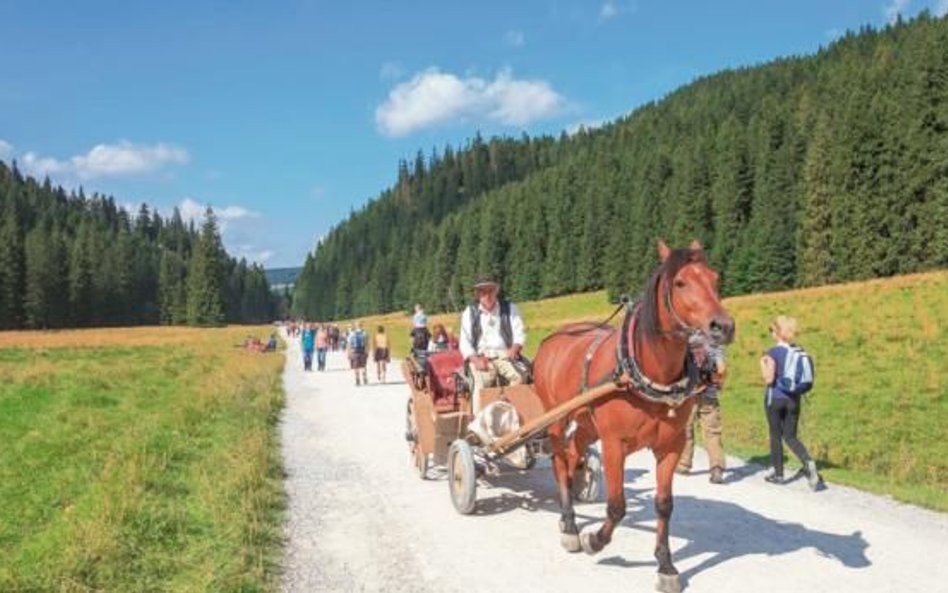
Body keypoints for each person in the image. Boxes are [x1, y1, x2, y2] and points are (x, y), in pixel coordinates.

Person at [760, 315, 824, 491]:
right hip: (794, 399)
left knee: (775, 435)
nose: (771, 333)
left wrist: (762, 363)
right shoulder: (798, 351)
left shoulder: (772, 352)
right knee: (791, 436)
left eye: (772, 330)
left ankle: (778, 474)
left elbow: (768, 378)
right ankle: (808, 462)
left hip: (776, 398)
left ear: (778, 333)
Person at [459, 275, 527, 416]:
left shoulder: (510, 309)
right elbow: (464, 342)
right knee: (481, 385)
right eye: (483, 292)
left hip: (505, 355)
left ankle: (510, 414)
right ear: (477, 294)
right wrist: (475, 360)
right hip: (481, 357)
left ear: (497, 291)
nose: (487, 295)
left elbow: (519, 333)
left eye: (491, 291)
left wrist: (515, 348)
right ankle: (478, 423)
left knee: (520, 377)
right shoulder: (469, 312)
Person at [677, 335, 728, 484]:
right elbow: (721, 368)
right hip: (709, 394)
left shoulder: (688, 341)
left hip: (689, 395)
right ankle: (716, 467)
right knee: (712, 432)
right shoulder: (715, 343)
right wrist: (719, 383)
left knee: (686, 429)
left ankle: (684, 464)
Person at [348, 321, 369, 386]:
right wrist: (367, 351)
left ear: (356, 326)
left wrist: (349, 353)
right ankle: (364, 377)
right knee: (363, 366)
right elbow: (366, 344)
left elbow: (349, 344)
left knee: (356, 367)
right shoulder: (365, 333)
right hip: (363, 351)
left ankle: (357, 379)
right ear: (361, 326)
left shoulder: (352, 333)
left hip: (355, 352)